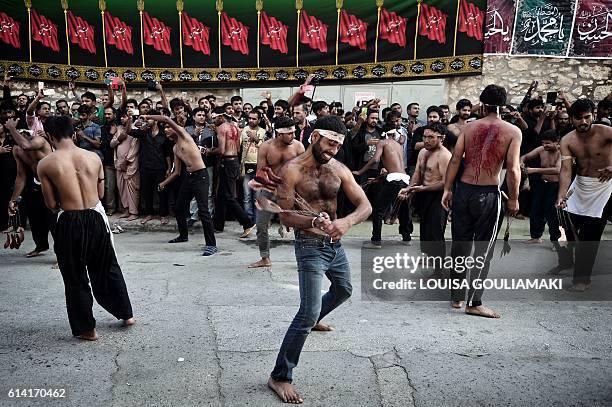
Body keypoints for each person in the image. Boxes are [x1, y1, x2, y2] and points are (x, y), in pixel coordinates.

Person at [267, 115, 372, 403]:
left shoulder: (338, 168)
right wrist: (314, 221)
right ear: (314, 137)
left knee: (344, 290)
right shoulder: (291, 171)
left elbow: (365, 205)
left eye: (338, 146)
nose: (333, 150)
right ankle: (280, 376)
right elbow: (285, 215)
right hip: (310, 246)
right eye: (329, 143)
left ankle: (315, 318)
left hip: (334, 243)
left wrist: (347, 222)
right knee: (306, 311)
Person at [37, 115, 134, 341]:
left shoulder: (46, 163)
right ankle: (126, 314)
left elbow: (51, 205)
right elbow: (100, 195)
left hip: (69, 220)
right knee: (108, 267)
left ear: (50, 136)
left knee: (74, 275)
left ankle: (87, 329)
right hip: (95, 217)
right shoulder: (93, 157)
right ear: (73, 133)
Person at [442, 84, 522, 318]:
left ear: (483, 104)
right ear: (504, 107)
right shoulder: (512, 131)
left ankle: (457, 297)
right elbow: (514, 169)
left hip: (464, 191)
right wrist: (514, 198)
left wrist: (447, 189)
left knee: (460, 246)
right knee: (482, 251)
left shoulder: (468, 127)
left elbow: (455, 160)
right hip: (488, 193)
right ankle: (474, 302)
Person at [556, 99, 612, 292]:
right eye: (578, 118)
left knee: (590, 235)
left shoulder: (606, 132)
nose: (583, 122)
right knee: (565, 230)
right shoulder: (567, 140)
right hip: (580, 186)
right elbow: (565, 170)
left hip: (605, 187)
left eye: (587, 117)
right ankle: (570, 264)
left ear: (593, 115)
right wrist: (561, 195)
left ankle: (582, 280)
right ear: (572, 119)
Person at [149, 115, 218, 256]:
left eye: (169, 128)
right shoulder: (175, 148)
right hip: (189, 177)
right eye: (165, 129)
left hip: (201, 175)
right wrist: (163, 183)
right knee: (179, 207)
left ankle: (211, 245)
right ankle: (183, 235)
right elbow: (177, 172)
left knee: (203, 211)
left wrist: (147, 116)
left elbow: (166, 119)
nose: (167, 130)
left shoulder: (185, 136)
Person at [248, 116, 305, 268]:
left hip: (292, 190)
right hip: (269, 189)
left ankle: (303, 259)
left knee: (302, 225)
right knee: (261, 225)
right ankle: (265, 258)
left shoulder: (298, 147)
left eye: (294, 132)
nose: (293, 135)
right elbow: (261, 172)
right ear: (279, 134)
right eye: (290, 133)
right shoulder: (266, 147)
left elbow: (304, 173)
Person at [399, 123, 452, 265]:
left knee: (434, 230)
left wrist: (423, 188)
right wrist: (409, 189)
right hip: (423, 194)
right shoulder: (423, 152)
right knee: (425, 228)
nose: (427, 140)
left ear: (442, 138)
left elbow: (446, 183)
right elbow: (417, 173)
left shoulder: (445, 155)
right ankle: (429, 256)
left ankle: (439, 266)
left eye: (431, 137)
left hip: (439, 196)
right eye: (424, 137)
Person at [353, 123, 409, 248]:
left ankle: (376, 240)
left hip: (394, 179)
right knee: (403, 209)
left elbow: (375, 159)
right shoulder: (398, 145)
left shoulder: (383, 142)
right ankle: (407, 237)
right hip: (405, 179)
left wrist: (360, 171)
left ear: (383, 134)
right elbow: (397, 167)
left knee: (378, 210)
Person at [5, 118, 54, 258]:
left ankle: (62, 254)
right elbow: (21, 176)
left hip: (53, 185)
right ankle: (41, 246)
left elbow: (26, 145)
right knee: (35, 219)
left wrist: (12, 128)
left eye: (22, 133)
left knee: (54, 220)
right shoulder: (17, 150)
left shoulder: (38, 141)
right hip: (36, 186)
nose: (20, 137)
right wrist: (13, 199)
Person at [212, 108, 256, 237]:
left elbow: (221, 150)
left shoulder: (221, 128)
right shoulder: (235, 127)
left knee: (228, 196)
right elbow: (237, 148)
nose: (213, 120)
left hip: (226, 162)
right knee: (221, 195)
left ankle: (247, 223)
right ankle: (218, 225)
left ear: (220, 117)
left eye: (215, 118)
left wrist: (209, 150)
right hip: (234, 161)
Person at [111, 111, 140, 221]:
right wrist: (119, 139)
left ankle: (134, 212)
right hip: (119, 164)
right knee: (121, 188)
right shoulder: (118, 129)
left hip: (131, 164)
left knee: (132, 189)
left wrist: (127, 160)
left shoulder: (135, 128)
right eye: (122, 117)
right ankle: (126, 210)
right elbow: (112, 144)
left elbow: (135, 147)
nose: (123, 119)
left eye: (125, 117)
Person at [240, 110, 267, 223]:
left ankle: (257, 221)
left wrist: (256, 139)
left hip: (259, 166)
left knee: (257, 196)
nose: (251, 120)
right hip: (246, 165)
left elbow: (265, 147)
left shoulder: (263, 132)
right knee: (246, 196)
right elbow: (239, 147)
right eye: (249, 118)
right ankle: (248, 221)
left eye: (254, 118)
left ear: (259, 120)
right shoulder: (244, 130)